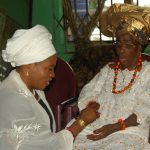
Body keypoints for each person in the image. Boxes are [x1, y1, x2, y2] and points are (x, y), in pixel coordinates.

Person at [0, 24, 100, 150]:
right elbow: (47, 146)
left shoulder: (33, 89)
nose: (53, 75)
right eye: (49, 69)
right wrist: (82, 121)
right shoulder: (14, 100)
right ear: (29, 66)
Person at [72, 3, 150, 150]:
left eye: (128, 45)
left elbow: (145, 109)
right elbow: (89, 91)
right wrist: (91, 105)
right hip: (95, 125)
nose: (121, 50)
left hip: (127, 130)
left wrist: (114, 128)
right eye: (118, 44)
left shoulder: (148, 73)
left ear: (139, 48)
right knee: (69, 143)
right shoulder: (108, 70)